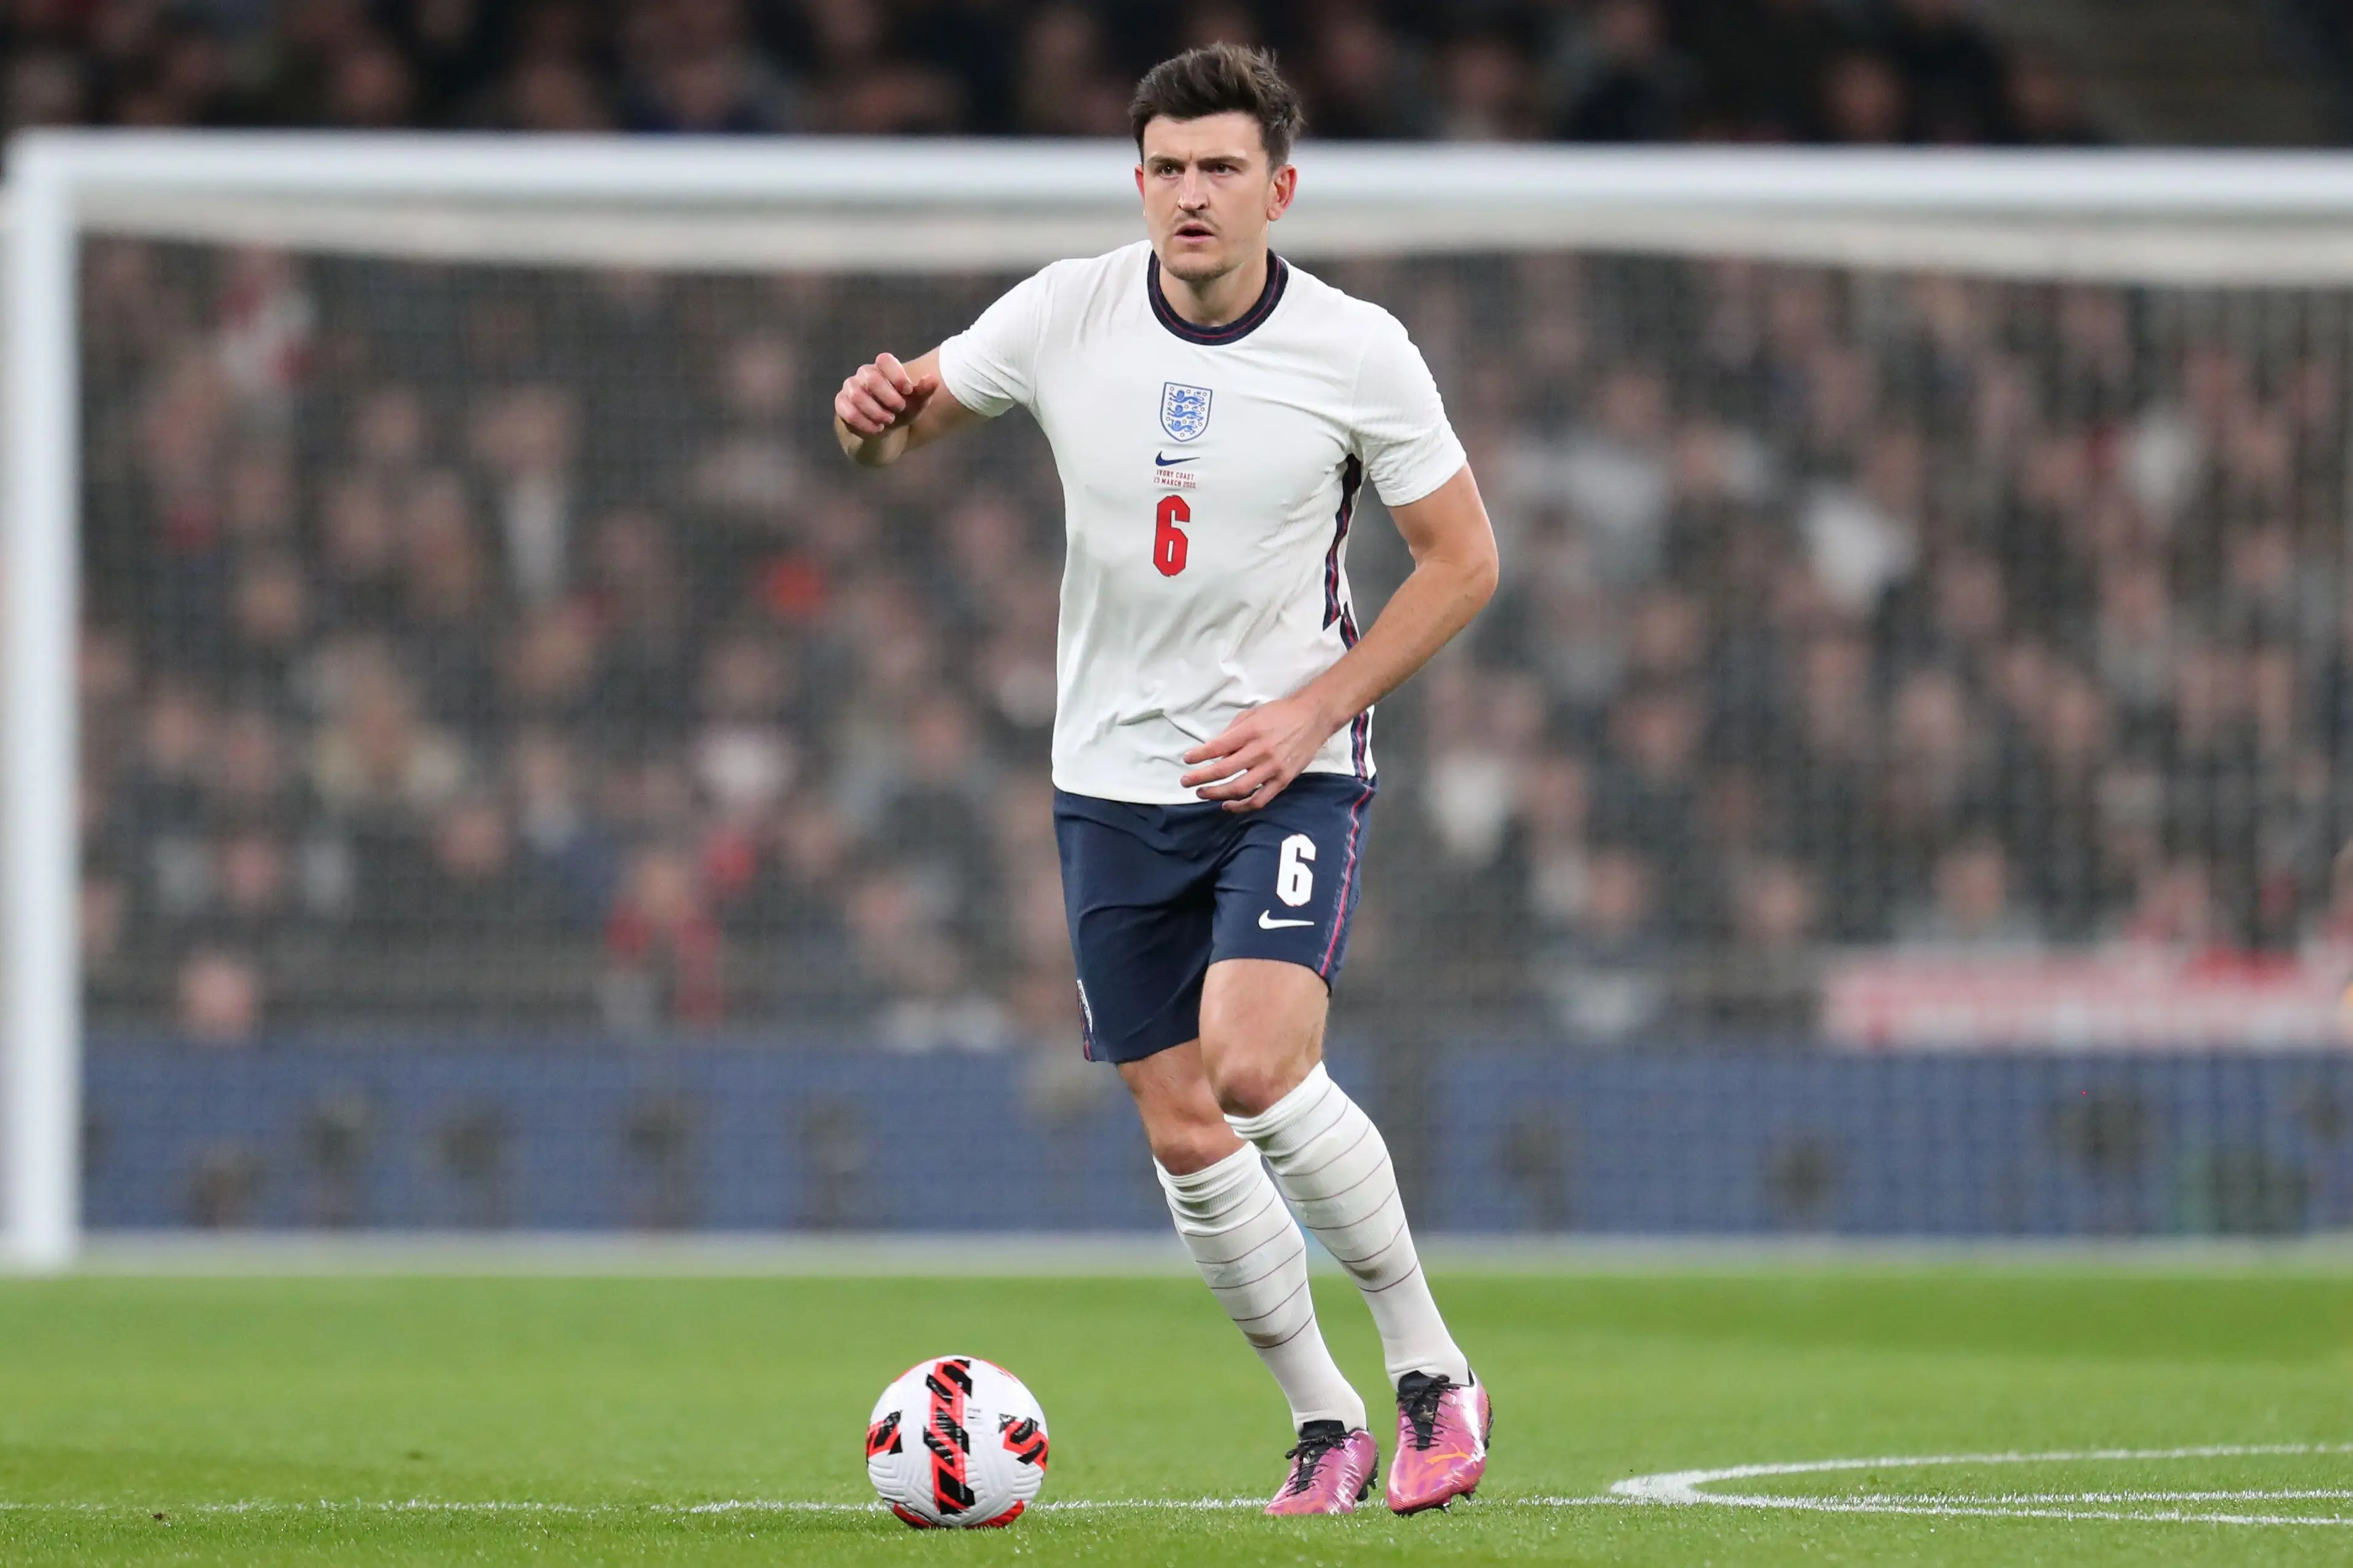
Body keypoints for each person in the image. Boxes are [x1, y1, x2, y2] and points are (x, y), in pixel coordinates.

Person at [832, 43, 1500, 1518]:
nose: (1191, 194)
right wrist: (868, 420)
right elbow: (904, 433)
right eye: (1167, 168)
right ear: (1137, 180)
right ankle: (1322, 1419)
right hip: (1109, 780)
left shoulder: (1356, 349)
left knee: (1258, 1067)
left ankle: (1431, 1370)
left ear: (1281, 185)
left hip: (1289, 768)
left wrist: (1313, 708)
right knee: (1184, 1122)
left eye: (1220, 168)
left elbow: (1465, 562)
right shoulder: (1064, 310)